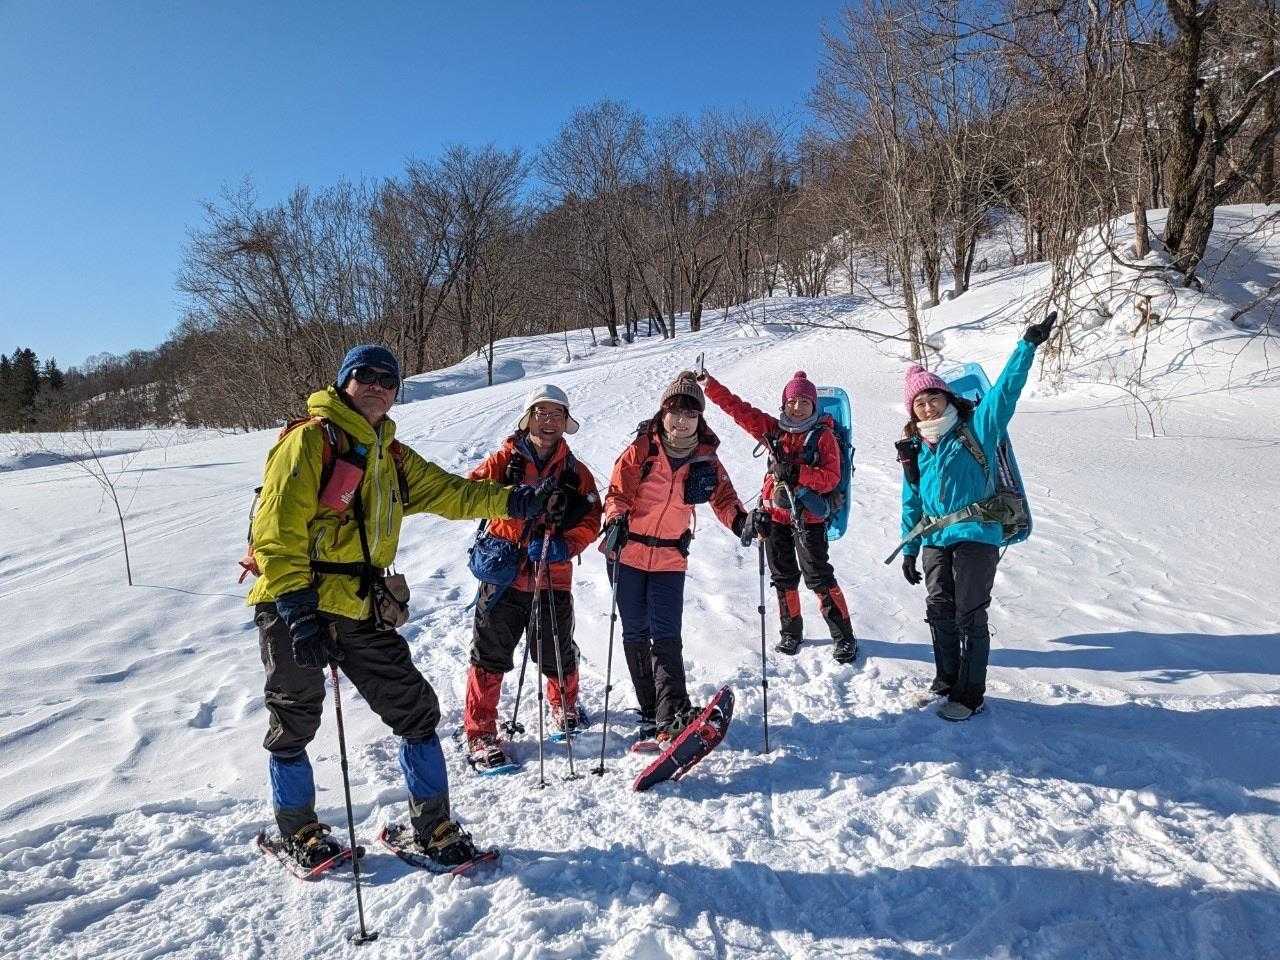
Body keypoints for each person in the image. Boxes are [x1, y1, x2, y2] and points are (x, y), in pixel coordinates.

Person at [246, 344, 557, 869]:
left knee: (416, 711)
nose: (376, 385)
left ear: (395, 393)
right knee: (294, 719)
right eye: (364, 375)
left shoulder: (390, 455)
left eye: (387, 379)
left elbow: (452, 493)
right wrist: (298, 611)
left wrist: (514, 501)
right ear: (344, 382)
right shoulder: (309, 441)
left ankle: (433, 829)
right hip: (293, 603)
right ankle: (299, 832)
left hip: (361, 606)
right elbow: (276, 532)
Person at [897, 314, 1057, 721]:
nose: (928, 406)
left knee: (970, 614)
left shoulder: (977, 428)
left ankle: (971, 695)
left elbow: (1004, 393)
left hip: (977, 533)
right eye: (919, 402)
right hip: (935, 539)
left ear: (948, 398)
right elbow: (911, 501)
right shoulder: (916, 448)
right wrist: (910, 549)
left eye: (933, 397)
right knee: (939, 610)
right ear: (913, 411)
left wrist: (1026, 347)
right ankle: (947, 679)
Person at [601, 371, 750, 742]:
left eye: (690, 414)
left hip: (670, 558)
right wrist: (616, 519)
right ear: (663, 412)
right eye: (675, 412)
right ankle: (651, 710)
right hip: (627, 553)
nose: (682, 420)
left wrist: (741, 523)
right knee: (636, 632)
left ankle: (672, 715)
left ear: (699, 418)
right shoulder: (642, 450)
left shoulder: (706, 459)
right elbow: (617, 493)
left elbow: (724, 498)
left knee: (666, 635)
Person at [462, 384, 602, 771]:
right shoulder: (502, 461)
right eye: (541, 413)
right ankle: (480, 730)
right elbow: (466, 493)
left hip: (552, 575)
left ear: (566, 421)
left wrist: (565, 545)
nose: (549, 421)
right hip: (503, 574)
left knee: (557, 649)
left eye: (557, 414)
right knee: (489, 653)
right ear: (528, 418)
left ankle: (564, 706)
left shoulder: (576, 473)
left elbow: (593, 518)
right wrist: (511, 501)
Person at [700, 369, 857, 663]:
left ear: (814, 405)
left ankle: (844, 637)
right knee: (783, 576)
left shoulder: (823, 436)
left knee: (818, 577)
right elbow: (739, 410)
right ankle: (791, 633)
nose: (798, 407)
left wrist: (798, 473)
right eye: (792, 401)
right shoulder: (773, 430)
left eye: (805, 402)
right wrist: (710, 386)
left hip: (808, 519)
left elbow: (831, 478)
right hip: (774, 516)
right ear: (784, 404)